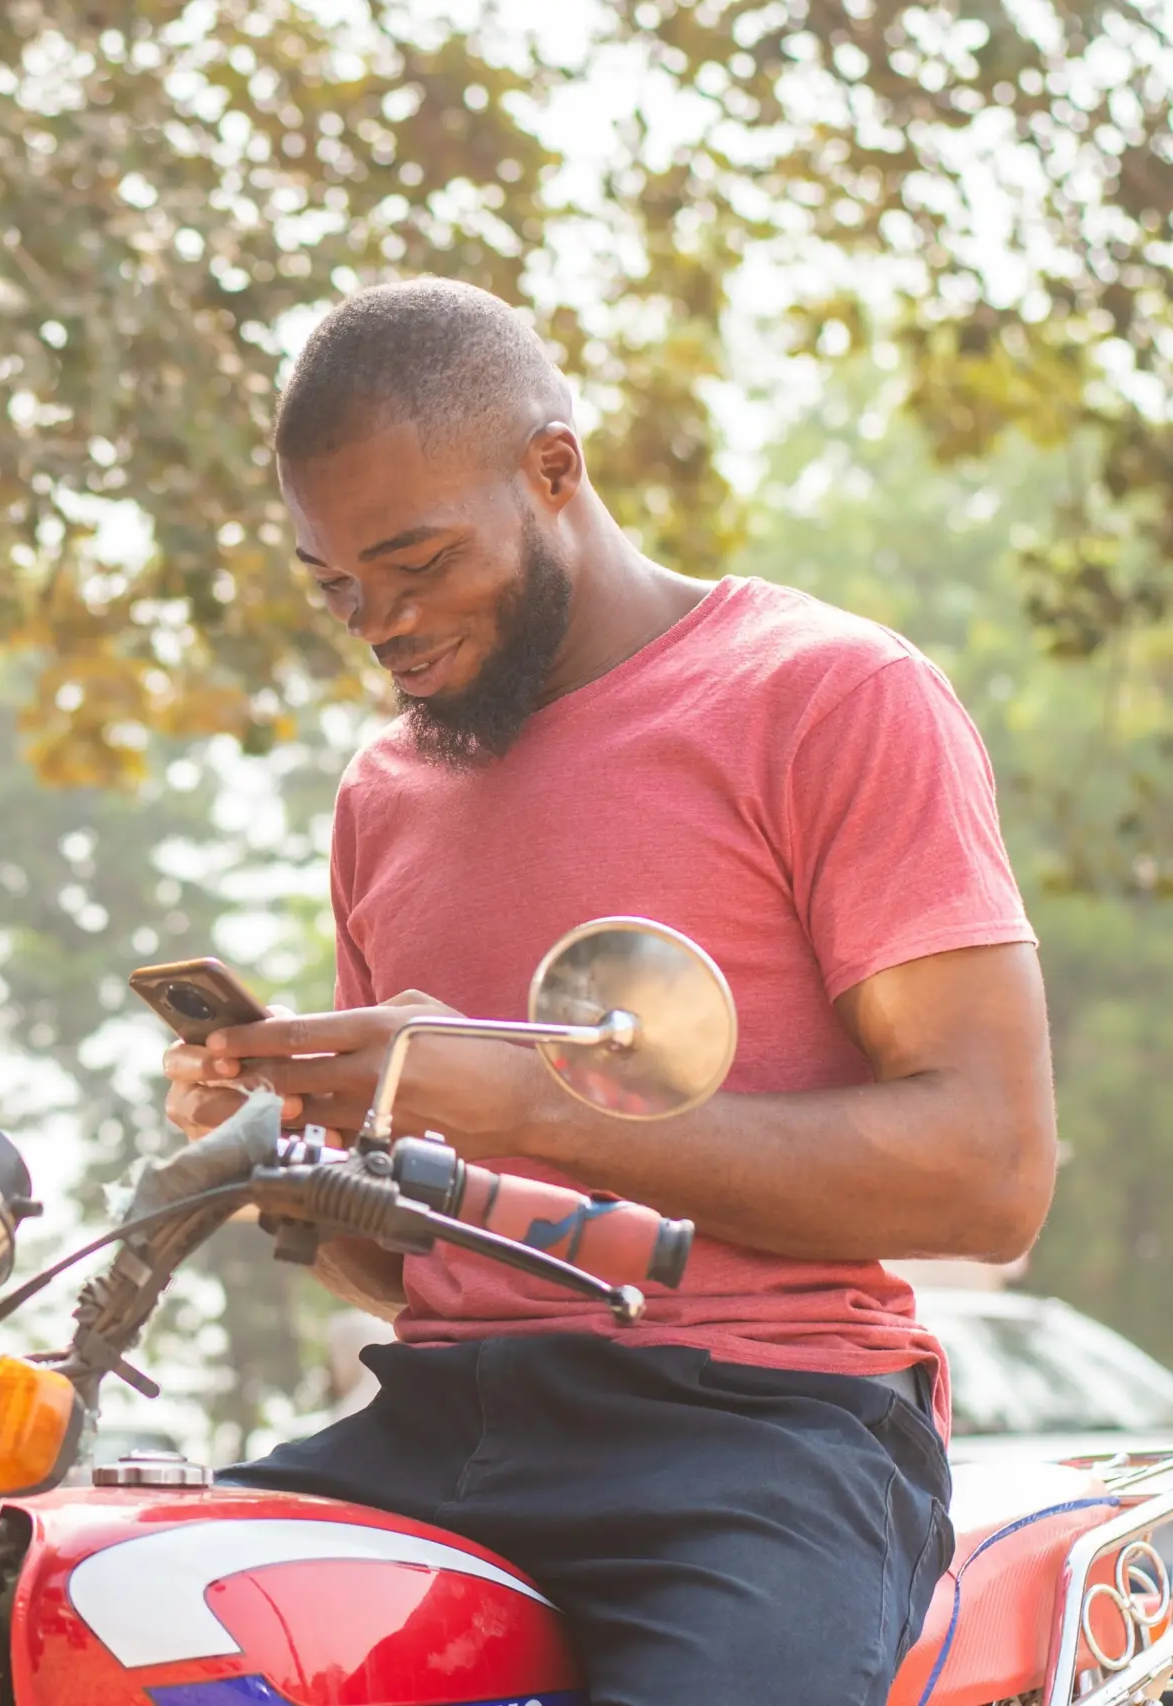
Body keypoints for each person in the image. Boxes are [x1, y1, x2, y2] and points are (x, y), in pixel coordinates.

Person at [163, 278, 1056, 1706]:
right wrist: (292, 1163)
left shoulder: (828, 695)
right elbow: (408, 1265)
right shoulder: (384, 791)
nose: (379, 623)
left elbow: (992, 1172)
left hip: (763, 1434)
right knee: (90, 1607)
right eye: (337, 584)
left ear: (554, 471)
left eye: (419, 561)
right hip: (437, 1425)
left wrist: (527, 1101)